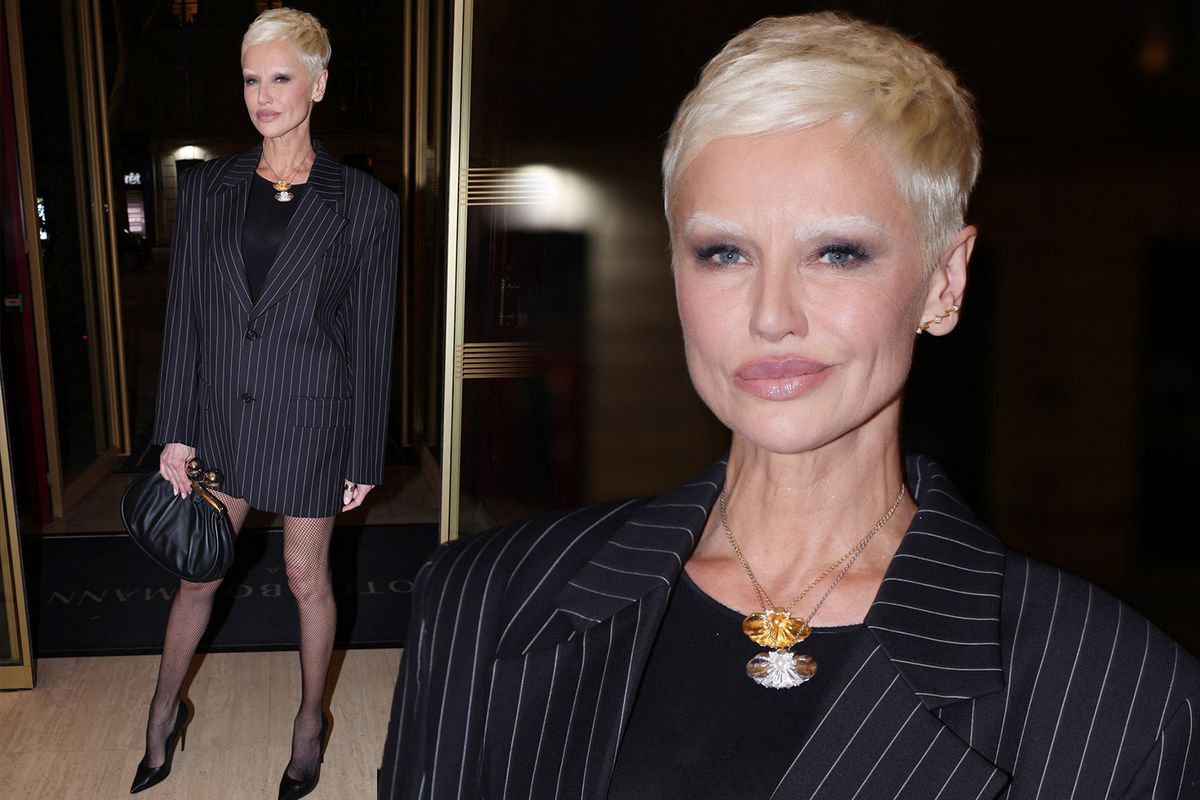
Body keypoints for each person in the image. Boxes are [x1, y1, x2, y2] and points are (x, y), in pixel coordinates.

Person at [377, 11, 1199, 800]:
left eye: (837, 253)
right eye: (724, 252)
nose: (772, 315)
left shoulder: (1123, 698)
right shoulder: (487, 600)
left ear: (943, 283)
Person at [132, 7, 399, 798]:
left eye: (281, 77)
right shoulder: (209, 186)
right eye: (251, 79)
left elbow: (372, 336)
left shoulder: (365, 203)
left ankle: (310, 722)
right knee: (199, 572)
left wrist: (363, 451)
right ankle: (162, 712)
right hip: (222, 419)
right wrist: (175, 431)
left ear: (318, 84)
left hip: (311, 419)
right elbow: (186, 316)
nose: (263, 95)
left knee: (305, 577)